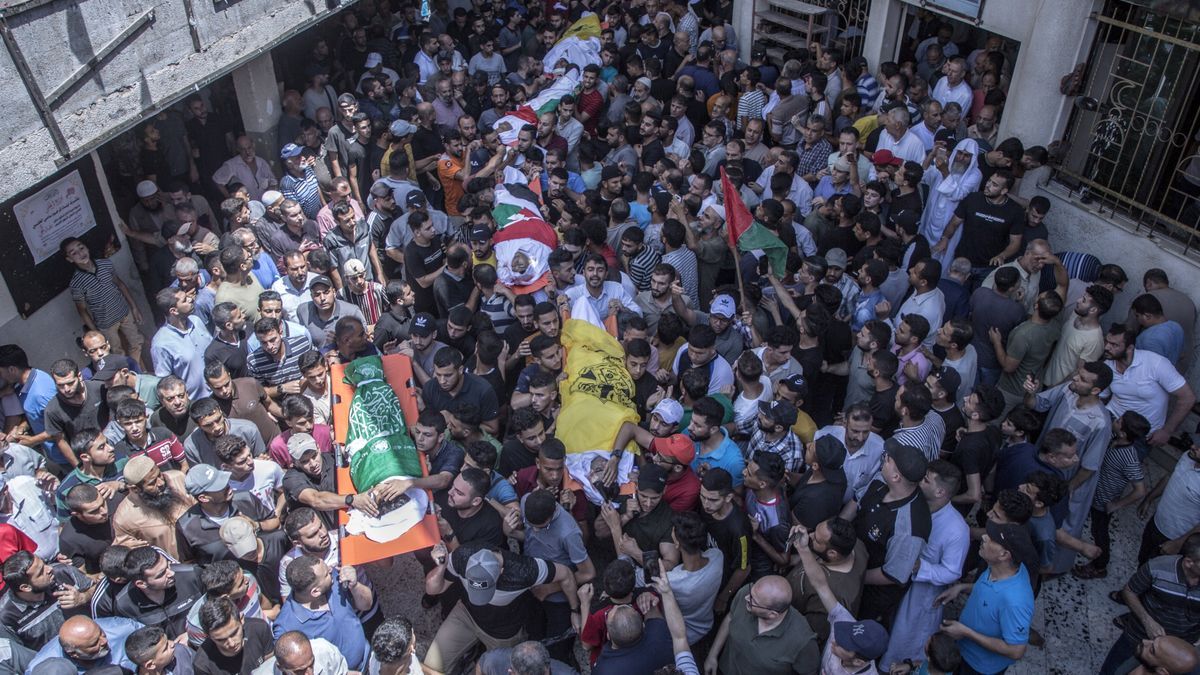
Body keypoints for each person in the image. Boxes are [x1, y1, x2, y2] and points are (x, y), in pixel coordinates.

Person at [422, 542, 579, 673]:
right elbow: (433, 589)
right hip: (466, 616)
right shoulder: (462, 556)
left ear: (501, 571)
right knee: (429, 667)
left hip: (503, 633)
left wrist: (574, 610)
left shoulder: (524, 570)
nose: (480, 599)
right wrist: (442, 567)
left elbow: (565, 574)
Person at [937, 522, 1037, 675]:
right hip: (963, 650)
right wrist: (962, 588)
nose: (983, 537)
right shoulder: (999, 567)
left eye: (991, 538)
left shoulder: (1016, 600)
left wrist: (966, 633)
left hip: (978, 667)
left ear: (1004, 555)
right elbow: (987, 590)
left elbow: (1016, 650)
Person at [705, 575, 821, 675]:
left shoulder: (803, 642)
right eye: (751, 592)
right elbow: (731, 617)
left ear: (772, 614)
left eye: (753, 601)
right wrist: (712, 656)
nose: (746, 597)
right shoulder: (747, 594)